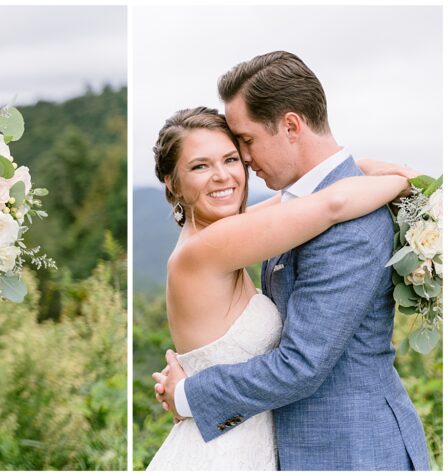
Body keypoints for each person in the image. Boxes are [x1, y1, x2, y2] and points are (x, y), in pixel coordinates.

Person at [147, 51, 430, 471]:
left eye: (241, 145)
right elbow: (330, 201)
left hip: (352, 451)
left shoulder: (345, 224)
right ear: (173, 182)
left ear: (291, 126)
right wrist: (396, 178)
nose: (240, 162)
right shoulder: (231, 237)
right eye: (201, 165)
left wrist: (191, 395)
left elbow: (301, 364)